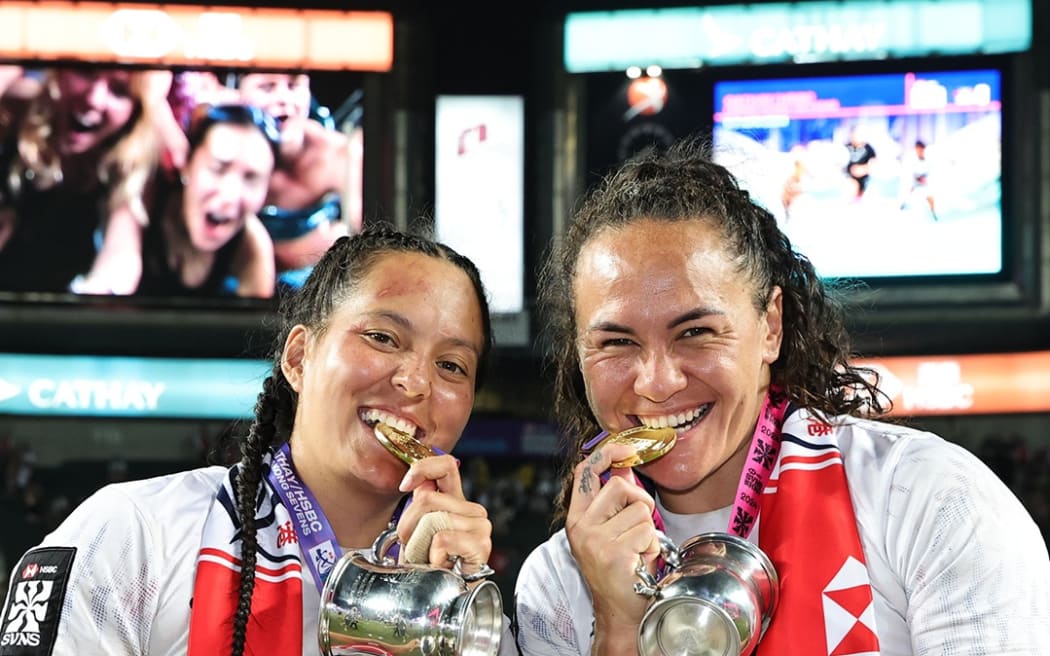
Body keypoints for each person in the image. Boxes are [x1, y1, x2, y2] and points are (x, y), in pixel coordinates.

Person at [513, 137, 1050, 655]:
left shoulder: (927, 500)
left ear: (770, 325)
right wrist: (616, 629)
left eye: (695, 332)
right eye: (616, 342)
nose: (657, 382)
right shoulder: (559, 584)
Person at [1, 224, 517, 655]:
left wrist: (444, 613)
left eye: (452, 365)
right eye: (382, 337)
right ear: (298, 358)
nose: (416, 381)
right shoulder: (137, 534)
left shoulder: (468, 604)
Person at [0, 66, 166, 293]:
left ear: (134, 110)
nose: (94, 100)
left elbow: (122, 255)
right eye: (86, 72)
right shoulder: (17, 108)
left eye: (119, 90)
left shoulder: (131, 160)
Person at [134, 103, 278, 298]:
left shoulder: (253, 248)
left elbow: (255, 327)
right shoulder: (142, 203)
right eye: (218, 169)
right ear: (187, 163)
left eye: (251, 178)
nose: (230, 195)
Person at [238, 72, 364, 291]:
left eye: (294, 86)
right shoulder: (218, 146)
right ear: (238, 94)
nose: (284, 99)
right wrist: (302, 249)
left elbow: (370, 250)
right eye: (267, 87)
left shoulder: (338, 154)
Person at [844, 124, 876, 199]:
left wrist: (864, 169)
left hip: (865, 179)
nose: (857, 137)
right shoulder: (846, 148)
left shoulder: (868, 148)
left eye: (859, 134)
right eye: (855, 134)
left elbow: (874, 163)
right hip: (849, 179)